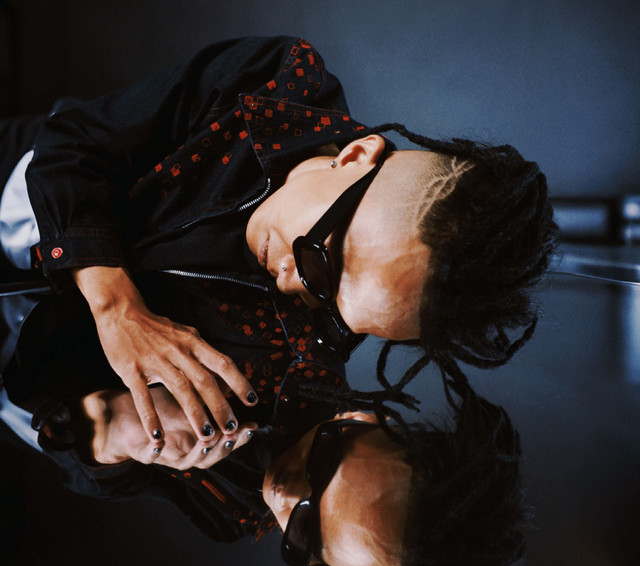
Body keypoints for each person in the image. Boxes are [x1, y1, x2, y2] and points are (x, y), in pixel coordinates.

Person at [0, 35, 557, 451]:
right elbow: (74, 141)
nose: (293, 288)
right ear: (355, 156)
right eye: (321, 260)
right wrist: (115, 305)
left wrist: (118, 442)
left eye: (334, 313)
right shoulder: (273, 86)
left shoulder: (302, 375)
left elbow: (92, 458)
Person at [5, 359, 526, 566]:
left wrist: (112, 439)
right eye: (320, 470)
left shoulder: (228, 517)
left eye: (307, 540)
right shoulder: (286, 345)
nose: (283, 496)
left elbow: (92, 481)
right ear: (366, 422)